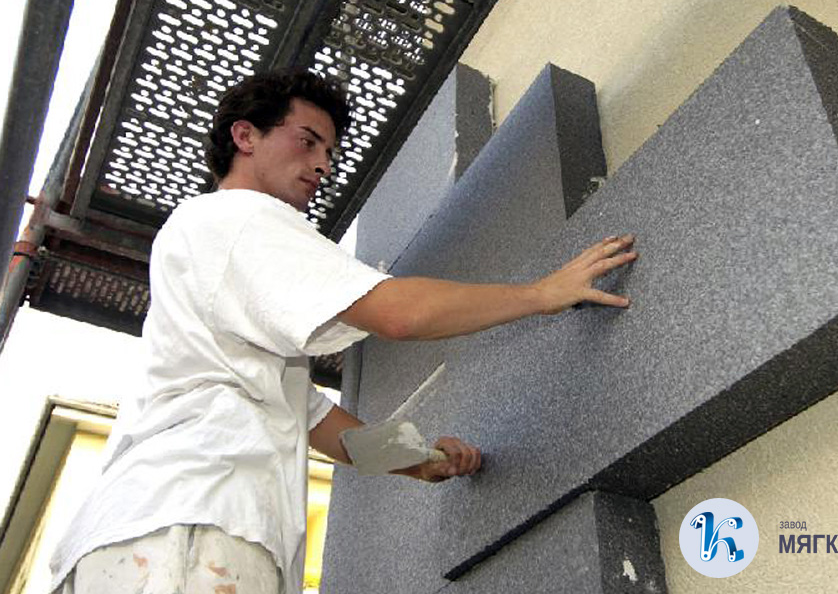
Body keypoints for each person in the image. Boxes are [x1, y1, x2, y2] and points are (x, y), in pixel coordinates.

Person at [48, 69, 637, 594]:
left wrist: (422, 461)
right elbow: (396, 313)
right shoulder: (236, 218)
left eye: (329, 151)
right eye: (307, 141)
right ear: (245, 136)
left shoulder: (228, 309)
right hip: (186, 527)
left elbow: (320, 425)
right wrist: (541, 294)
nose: (323, 165)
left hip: (157, 530)